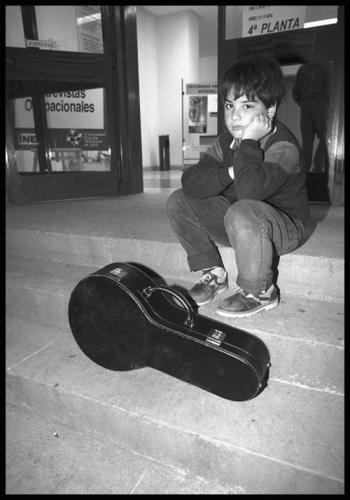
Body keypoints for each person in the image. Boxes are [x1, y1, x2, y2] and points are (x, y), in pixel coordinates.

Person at [166, 54, 310, 318]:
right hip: (240, 223)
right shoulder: (225, 142)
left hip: (283, 228)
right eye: (230, 106)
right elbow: (190, 182)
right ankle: (214, 275)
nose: (235, 116)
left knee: (243, 208)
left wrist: (249, 143)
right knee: (179, 200)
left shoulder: (283, 147)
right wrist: (231, 170)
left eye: (247, 106)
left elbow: (249, 192)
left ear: (270, 110)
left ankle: (261, 291)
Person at [292, 61, 330, 173]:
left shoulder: (302, 69)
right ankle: (318, 167)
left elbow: (295, 92)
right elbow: (329, 89)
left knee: (307, 140)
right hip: (321, 103)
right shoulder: (325, 66)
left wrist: (302, 102)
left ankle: (304, 169)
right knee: (325, 137)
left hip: (305, 104)